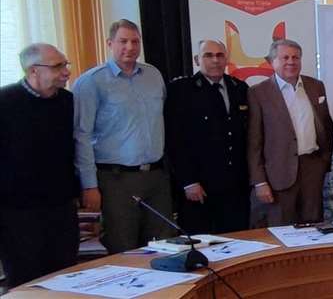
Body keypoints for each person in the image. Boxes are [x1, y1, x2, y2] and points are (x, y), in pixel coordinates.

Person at [74, 19, 173, 253]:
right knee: (123, 247)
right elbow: (81, 136)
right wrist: (89, 185)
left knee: (164, 246)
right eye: (123, 41)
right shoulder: (91, 81)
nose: (130, 47)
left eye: (135, 41)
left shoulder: (153, 75)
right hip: (116, 179)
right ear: (110, 43)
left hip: (156, 176)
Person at [0, 44, 79, 287]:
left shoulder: (67, 100)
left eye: (66, 64)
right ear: (33, 71)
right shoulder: (5, 101)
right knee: (26, 280)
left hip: (61, 207)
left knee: (66, 276)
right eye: (58, 66)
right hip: (17, 212)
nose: (66, 72)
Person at [165, 39, 250, 234]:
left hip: (235, 184)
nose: (215, 60)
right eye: (208, 55)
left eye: (220, 55)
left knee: (238, 239)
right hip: (200, 185)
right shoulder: (181, 91)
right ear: (197, 60)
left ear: (226, 59)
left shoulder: (239, 88)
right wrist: (188, 181)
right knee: (201, 240)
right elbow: (175, 140)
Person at [247, 39, 333, 226]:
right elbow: (254, 142)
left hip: (312, 168)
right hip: (278, 173)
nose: (291, 62)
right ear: (272, 62)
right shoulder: (258, 93)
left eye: (295, 57)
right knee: (281, 228)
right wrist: (259, 181)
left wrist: (324, 161)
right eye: (284, 57)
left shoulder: (316, 86)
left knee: (313, 228)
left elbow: (326, 126)